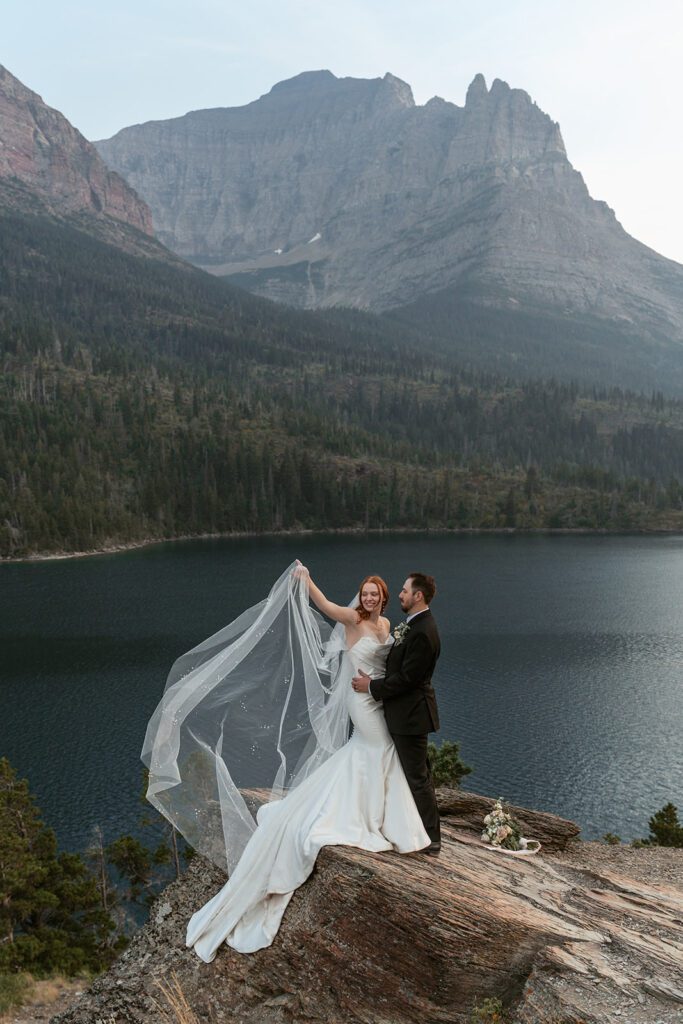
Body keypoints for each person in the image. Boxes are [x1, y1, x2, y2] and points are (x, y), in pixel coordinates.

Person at [145, 562, 434, 961]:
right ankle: (371, 815)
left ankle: (380, 813)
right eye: (365, 593)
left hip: (378, 698)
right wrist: (308, 580)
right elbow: (327, 606)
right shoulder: (352, 619)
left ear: (383, 598)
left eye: (376, 594)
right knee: (376, 748)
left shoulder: (387, 627)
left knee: (375, 751)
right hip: (361, 700)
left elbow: (398, 664)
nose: (369, 598)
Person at [352, 573, 441, 854]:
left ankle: (431, 838)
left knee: (417, 777)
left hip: (412, 717)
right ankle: (411, 828)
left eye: (404, 591)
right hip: (405, 714)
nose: (400, 595)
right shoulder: (414, 625)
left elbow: (407, 679)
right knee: (413, 774)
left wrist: (371, 686)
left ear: (418, 596)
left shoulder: (424, 632)